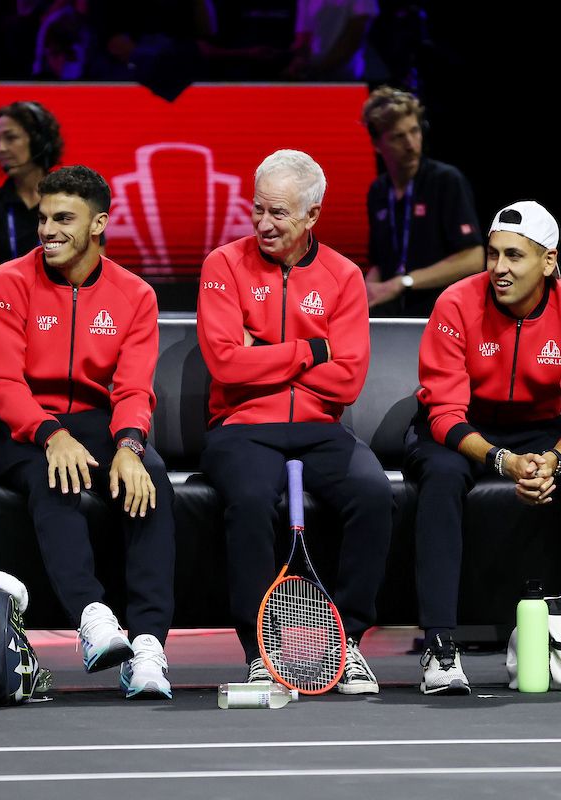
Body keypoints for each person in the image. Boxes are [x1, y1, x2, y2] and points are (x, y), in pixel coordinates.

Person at [405, 200, 561, 695]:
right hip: (461, 429)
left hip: (538, 429)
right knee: (443, 475)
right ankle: (439, 649)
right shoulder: (455, 303)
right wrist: (504, 461)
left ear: (549, 262)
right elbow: (444, 414)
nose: (499, 269)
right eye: (493, 255)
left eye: (514, 256)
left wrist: (553, 461)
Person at [0, 165, 176, 699]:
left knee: (151, 479)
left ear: (98, 224)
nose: (48, 231)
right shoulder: (6, 283)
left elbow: (134, 388)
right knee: (55, 475)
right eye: (43, 219)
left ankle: (150, 648)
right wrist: (48, 433)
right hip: (22, 428)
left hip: (98, 421)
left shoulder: (135, 294)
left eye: (64, 219)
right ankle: (93, 620)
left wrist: (131, 446)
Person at [196, 149, 392, 693]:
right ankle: (261, 652)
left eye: (277, 213)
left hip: (321, 428)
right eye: (256, 209)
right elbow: (224, 364)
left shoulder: (344, 276)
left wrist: (265, 354)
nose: (262, 223)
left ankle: (347, 642)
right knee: (253, 501)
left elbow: (349, 381)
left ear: (311, 216)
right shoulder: (223, 265)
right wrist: (311, 351)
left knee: (374, 494)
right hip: (240, 427)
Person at [361, 86, 484, 317]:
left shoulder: (446, 180)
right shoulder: (377, 191)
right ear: (377, 144)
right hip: (392, 314)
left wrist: (405, 282)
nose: (411, 144)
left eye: (415, 131)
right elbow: (378, 263)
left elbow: (474, 258)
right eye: (398, 136)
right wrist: (367, 292)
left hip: (441, 313)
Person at [0, 101, 63, 281]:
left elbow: (89, 266)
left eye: (10, 138)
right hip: (5, 304)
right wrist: (32, 286)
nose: (0, 149)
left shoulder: (72, 200)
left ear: (39, 141)